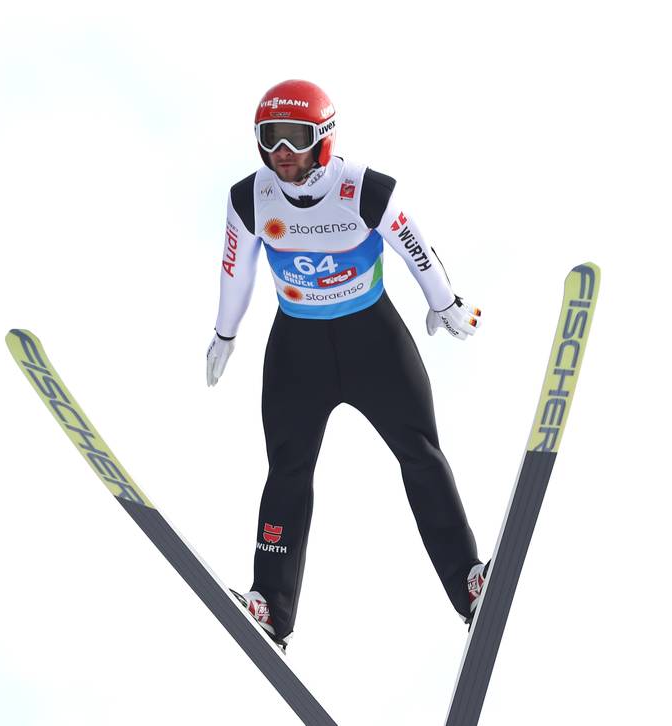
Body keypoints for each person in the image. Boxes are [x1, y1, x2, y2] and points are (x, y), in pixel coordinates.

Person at [206, 79, 487, 649]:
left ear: (324, 140)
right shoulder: (248, 198)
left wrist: (445, 304)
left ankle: (469, 584)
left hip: (372, 342)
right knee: (287, 470)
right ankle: (270, 609)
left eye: (295, 138)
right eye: (270, 140)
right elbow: (237, 269)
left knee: (421, 453)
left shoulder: (365, 188)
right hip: (297, 351)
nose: (282, 152)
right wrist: (224, 334)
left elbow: (416, 246)